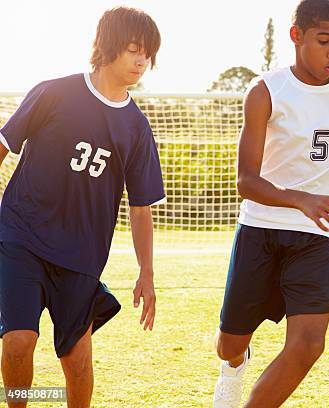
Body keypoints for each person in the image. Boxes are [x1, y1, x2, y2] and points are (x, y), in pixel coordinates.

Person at [0, 7, 164, 407]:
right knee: (19, 340)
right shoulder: (53, 92)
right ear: (108, 47)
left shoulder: (137, 128)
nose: (142, 61)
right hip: (22, 238)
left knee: (76, 362)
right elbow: (3, 146)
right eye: (132, 50)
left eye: (149, 53)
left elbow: (141, 208)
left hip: (81, 257)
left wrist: (147, 272)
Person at [212, 1, 329, 407]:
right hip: (261, 229)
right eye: (323, 41)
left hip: (314, 237)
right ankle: (234, 363)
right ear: (296, 36)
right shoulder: (266, 90)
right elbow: (246, 181)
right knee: (229, 345)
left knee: (308, 345)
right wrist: (302, 200)